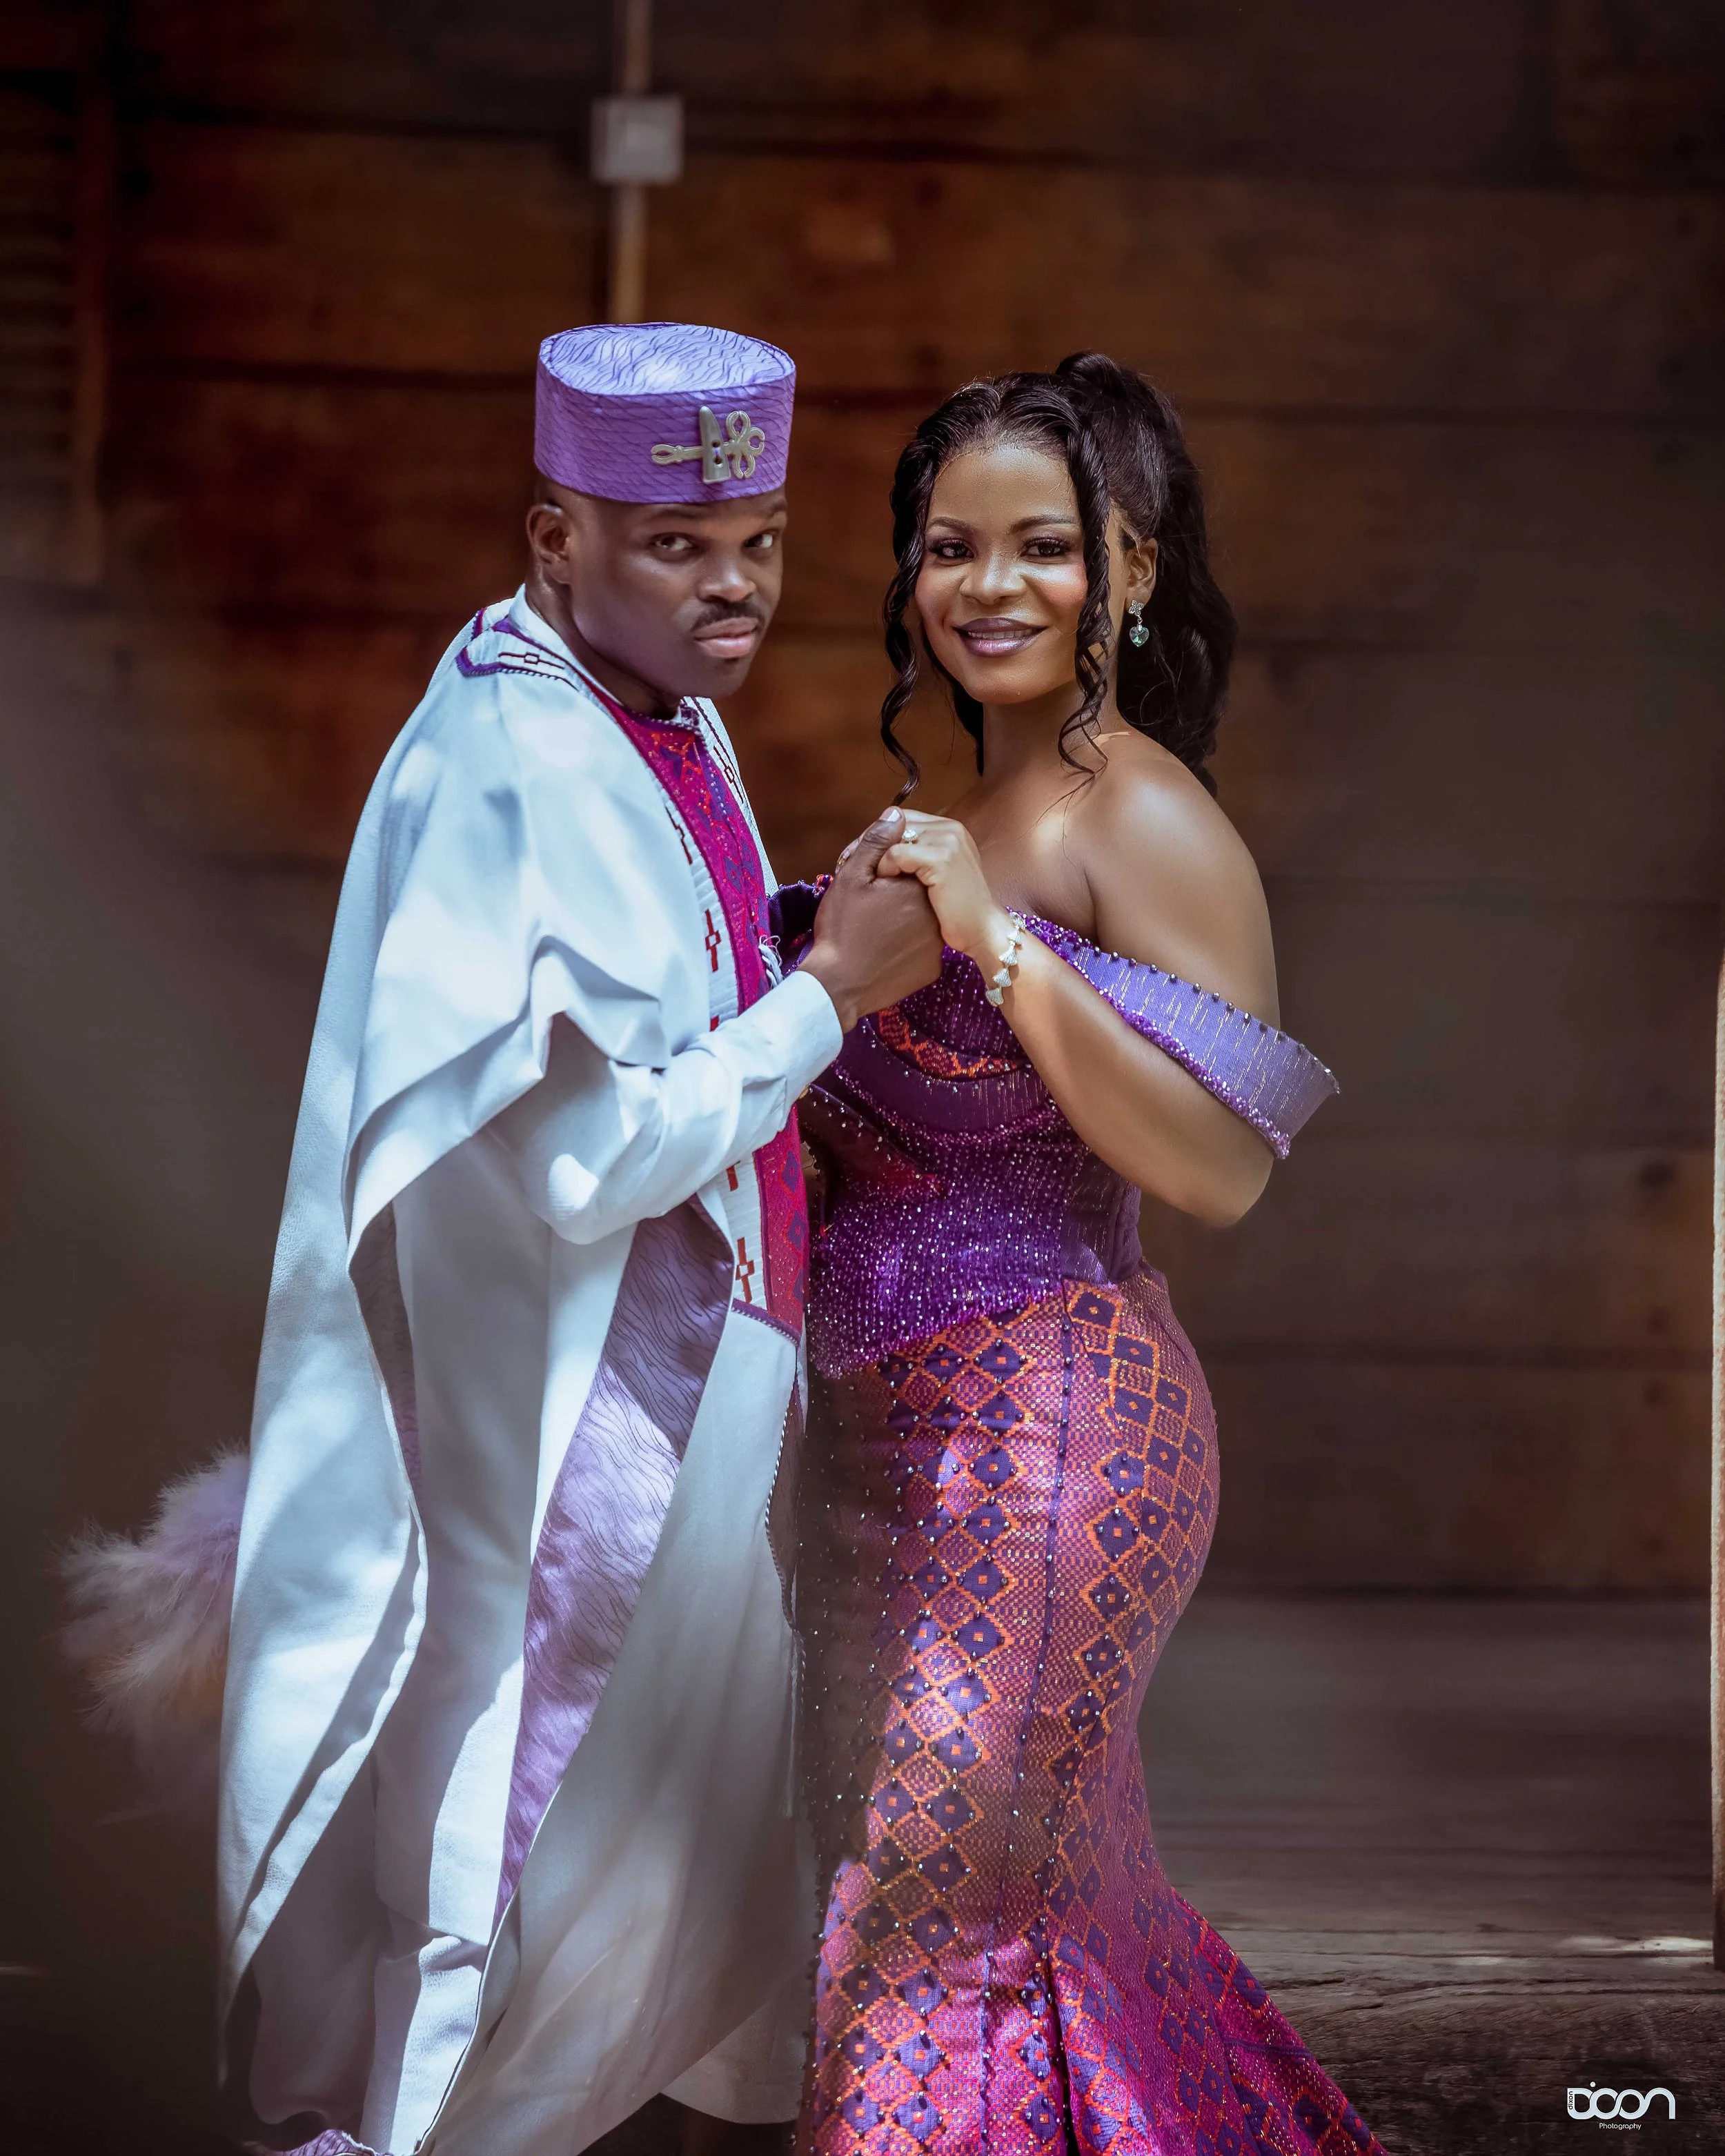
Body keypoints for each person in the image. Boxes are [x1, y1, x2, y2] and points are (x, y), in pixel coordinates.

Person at [213, 322, 940, 2156]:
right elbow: (585, 1156)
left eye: (761, 541)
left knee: (681, 1829)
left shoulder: (634, 694)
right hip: (580, 1404)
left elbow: (661, 975)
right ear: (556, 537)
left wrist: (782, 937)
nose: (735, 587)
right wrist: (830, 998)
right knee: (528, 1808)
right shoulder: (512, 757)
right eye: (676, 543)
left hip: (693, 1365)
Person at [786, 355, 1381, 2155]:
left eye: (1038, 547)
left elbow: (1218, 1169)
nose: (984, 586)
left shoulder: (1142, 815)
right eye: (946, 547)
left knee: (922, 1925)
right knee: (1027, 1922)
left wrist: (999, 947)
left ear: (1127, 571)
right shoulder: (942, 827)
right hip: (871, 1456)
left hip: (1049, 1439)